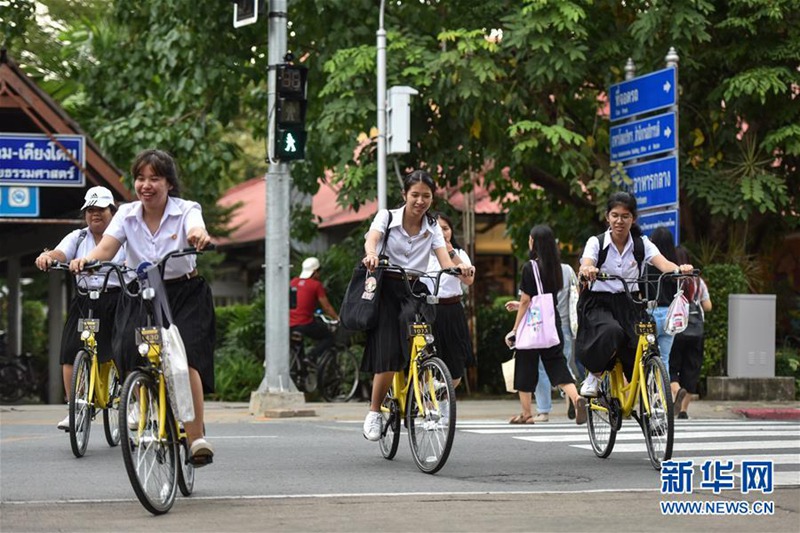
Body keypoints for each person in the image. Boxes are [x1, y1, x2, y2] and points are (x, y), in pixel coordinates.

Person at [70, 149, 216, 466]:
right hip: (142, 293)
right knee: (126, 349)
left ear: (169, 184)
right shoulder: (126, 214)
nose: (146, 185)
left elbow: (196, 229)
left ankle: (195, 438)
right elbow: (107, 248)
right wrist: (88, 259)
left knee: (187, 357)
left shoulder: (186, 210)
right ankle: (144, 404)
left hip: (184, 294)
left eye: (155, 178)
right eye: (140, 178)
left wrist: (198, 235)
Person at [360, 170, 474, 441]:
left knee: (423, 333)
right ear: (404, 195)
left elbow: (444, 261)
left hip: (414, 287)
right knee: (388, 349)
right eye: (415, 195)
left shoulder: (433, 225)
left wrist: (458, 269)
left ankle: (423, 372)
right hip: (386, 285)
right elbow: (371, 239)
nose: (420, 201)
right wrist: (372, 255)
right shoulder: (387, 217)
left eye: (426, 196)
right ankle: (375, 411)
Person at [577, 192, 693, 398]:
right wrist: (588, 269)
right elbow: (587, 262)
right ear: (607, 217)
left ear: (633, 219)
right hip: (598, 305)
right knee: (611, 332)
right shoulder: (596, 242)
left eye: (625, 216)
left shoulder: (642, 244)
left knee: (646, 344)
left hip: (630, 303)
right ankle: (594, 376)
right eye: (615, 215)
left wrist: (679, 270)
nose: (619, 221)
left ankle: (654, 403)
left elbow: (663, 263)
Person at [34, 186, 126, 431]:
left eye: (101, 210)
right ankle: (75, 407)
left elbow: (135, 260)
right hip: (86, 300)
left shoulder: (123, 236)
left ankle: (132, 402)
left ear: (112, 211)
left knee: (123, 349)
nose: (95, 214)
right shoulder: (79, 237)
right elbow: (60, 253)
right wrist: (47, 257)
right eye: (90, 210)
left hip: (117, 300)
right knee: (71, 350)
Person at [503, 225, 587, 425]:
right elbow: (542, 298)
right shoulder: (557, 267)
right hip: (551, 320)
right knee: (557, 363)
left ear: (533, 242)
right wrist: (521, 305)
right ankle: (576, 399)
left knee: (525, 365)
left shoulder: (530, 267)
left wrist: (515, 329)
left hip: (532, 325)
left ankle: (527, 414)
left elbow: (526, 300)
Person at [423, 213, 475, 390]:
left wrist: (451, 253)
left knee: (456, 365)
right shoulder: (421, 254)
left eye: (445, 228)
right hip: (426, 311)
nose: (442, 232)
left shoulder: (459, 254)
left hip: (452, 310)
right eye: (437, 228)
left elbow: (469, 280)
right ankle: (427, 407)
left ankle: (445, 401)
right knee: (425, 360)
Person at [670, 247, 712, 419]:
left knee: (671, 365)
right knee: (691, 368)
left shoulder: (671, 279)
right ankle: (684, 410)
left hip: (676, 331)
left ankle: (676, 390)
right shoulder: (698, 281)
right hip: (695, 332)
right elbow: (708, 306)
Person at [644, 226, 680, 374]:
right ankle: (662, 393)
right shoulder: (674, 266)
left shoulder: (646, 265)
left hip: (650, 313)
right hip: (669, 316)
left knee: (645, 356)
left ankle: (646, 390)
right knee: (664, 358)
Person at [290, 257, 340, 362]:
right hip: (305, 323)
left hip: (289, 324)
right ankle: (311, 357)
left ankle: (301, 371)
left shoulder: (293, 282)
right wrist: (337, 318)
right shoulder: (316, 285)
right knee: (328, 337)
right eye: (319, 271)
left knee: (298, 346)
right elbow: (326, 307)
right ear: (314, 272)